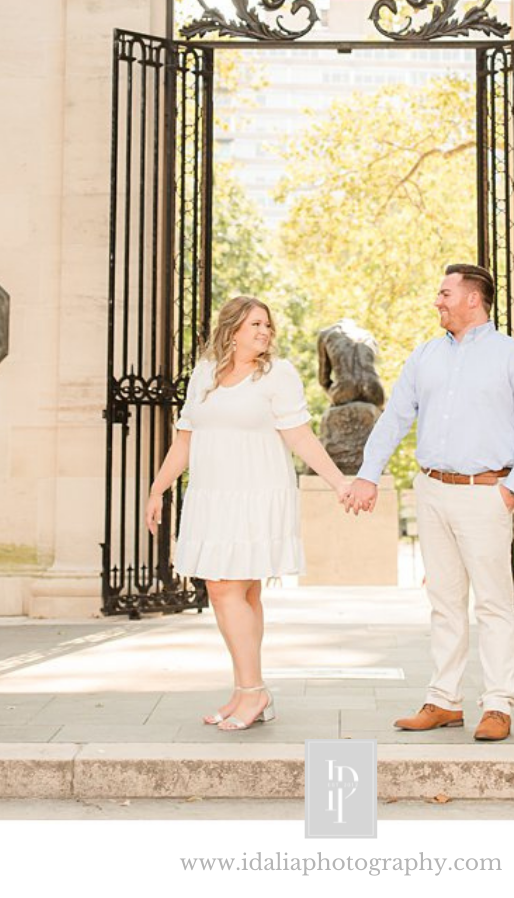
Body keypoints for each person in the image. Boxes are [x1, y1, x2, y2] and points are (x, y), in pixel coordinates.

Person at [343, 263, 514, 743]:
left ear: (473, 299)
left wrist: (511, 487)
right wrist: (369, 475)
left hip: (486, 492)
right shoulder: (425, 357)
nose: (438, 301)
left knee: (493, 603)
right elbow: (394, 419)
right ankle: (444, 701)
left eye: (445, 293)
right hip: (432, 490)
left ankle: (498, 704)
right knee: (444, 601)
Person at [146, 295, 353, 731]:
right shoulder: (204, 374)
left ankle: (253, 691)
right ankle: (246, 691)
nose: (264, 332)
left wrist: (339, 481)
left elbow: (300, 436)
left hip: (256, 496)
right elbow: (184, 439)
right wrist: (158, 488)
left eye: (267, 325)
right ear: (233, 328)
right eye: (255, 324)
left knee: (224, 590)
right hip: (211, 496)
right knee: (244, 594)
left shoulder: (278, 375)